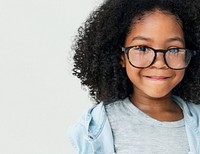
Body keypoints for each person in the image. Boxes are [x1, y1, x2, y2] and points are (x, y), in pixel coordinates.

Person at [68, 0, 200, 153]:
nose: (159, 63)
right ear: (121, 56)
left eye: (174, 50)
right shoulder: (94, 128)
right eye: (142, 48)